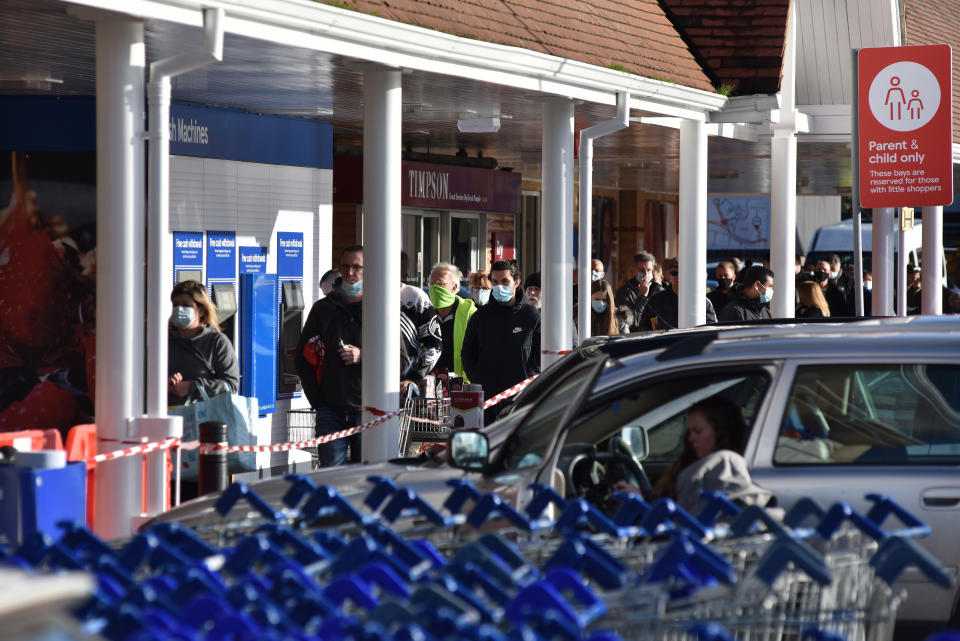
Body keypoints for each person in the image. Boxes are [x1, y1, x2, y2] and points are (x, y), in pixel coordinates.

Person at [615, 396, 772, 514]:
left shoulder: (725, 468)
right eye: (689, 431)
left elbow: (685, 519)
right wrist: (644, 498)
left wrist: (645, 502)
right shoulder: (693, 463)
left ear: (721, 431)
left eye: (698, 431)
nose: (691, 439)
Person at [295, 245, 365, 466]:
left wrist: (362, 356)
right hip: (331, 410)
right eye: (345, 266)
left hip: (370, 411)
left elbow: (399, 359)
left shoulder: (383, 306)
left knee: (369, 479)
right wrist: (318, 401)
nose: (350, 273)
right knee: (331, 478)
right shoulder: (323, 309)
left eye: (357, 267)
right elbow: (302, 356)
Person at [461, 259, 541, 424]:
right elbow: (468, 353)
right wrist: (478, 379)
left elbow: (538, 354)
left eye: (505, 281)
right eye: (495, 282)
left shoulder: (531, 315)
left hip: (519, 397)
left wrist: (527, 381)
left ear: (517, 282)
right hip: (488, 399)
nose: (499, 286)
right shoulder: (480, 317)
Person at [167, 280, 240, 407]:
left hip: (205, 422)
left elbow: (231, 386)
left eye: (186, 305)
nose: (179, 309)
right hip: (168, 420)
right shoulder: (162, 341)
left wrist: (191, 387)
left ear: (201, 310)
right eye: (175, 305)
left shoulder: (217, 342)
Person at [428, 262, 477, 380]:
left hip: (461, 385)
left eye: (440, 284)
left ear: (454, 288)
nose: (434, 288)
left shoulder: (470, 314)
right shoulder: (424, 312)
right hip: (429, 386)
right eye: (431, 284)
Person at [642, 257, 717, 330]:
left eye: (683, 272)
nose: (679, 276)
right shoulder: (657, 300)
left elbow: (712, 328)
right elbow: (644, 327)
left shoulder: (702, 301)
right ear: (669, 275)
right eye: (674, 273)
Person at [615, 251, 662, 332]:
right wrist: (643, 296)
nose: (646, 273)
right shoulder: (625, 292)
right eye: (642, 270)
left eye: (649, 270)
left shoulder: (658, 290)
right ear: (634, 270)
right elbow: (631, 323)